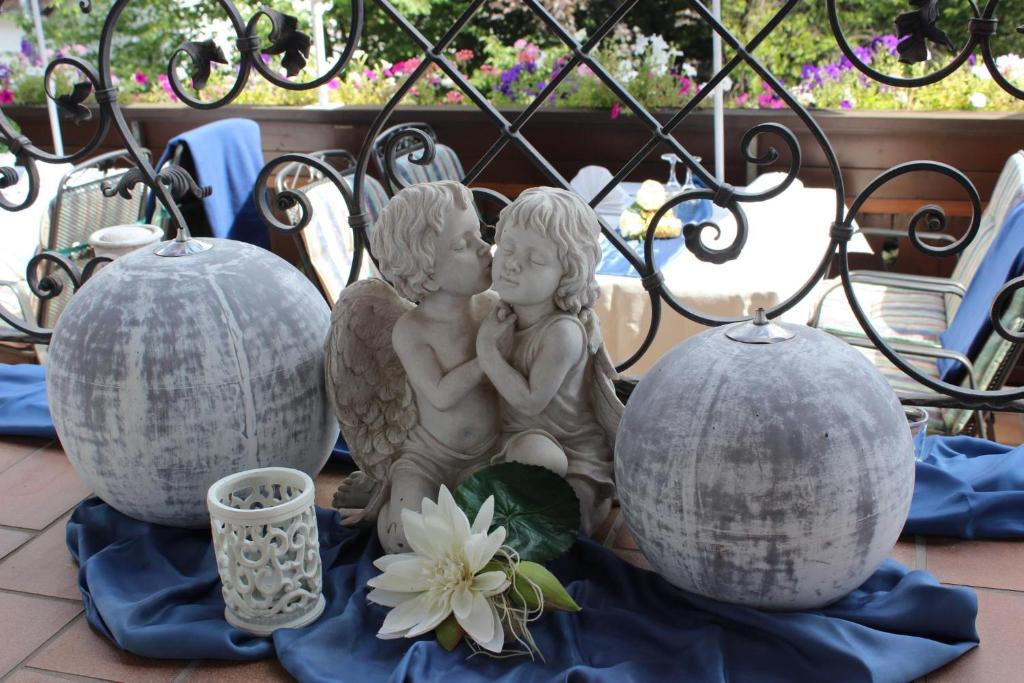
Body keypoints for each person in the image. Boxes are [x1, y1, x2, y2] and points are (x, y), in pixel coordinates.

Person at [476, 187, 622, 534]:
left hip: (571, 454)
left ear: (567, 274)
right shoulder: (498, 313)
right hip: (509, 442)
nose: (511, 263)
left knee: (559, 508)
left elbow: (530, 401)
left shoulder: (562, 333)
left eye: (536, 259)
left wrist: (488, 352)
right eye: (506, 248)